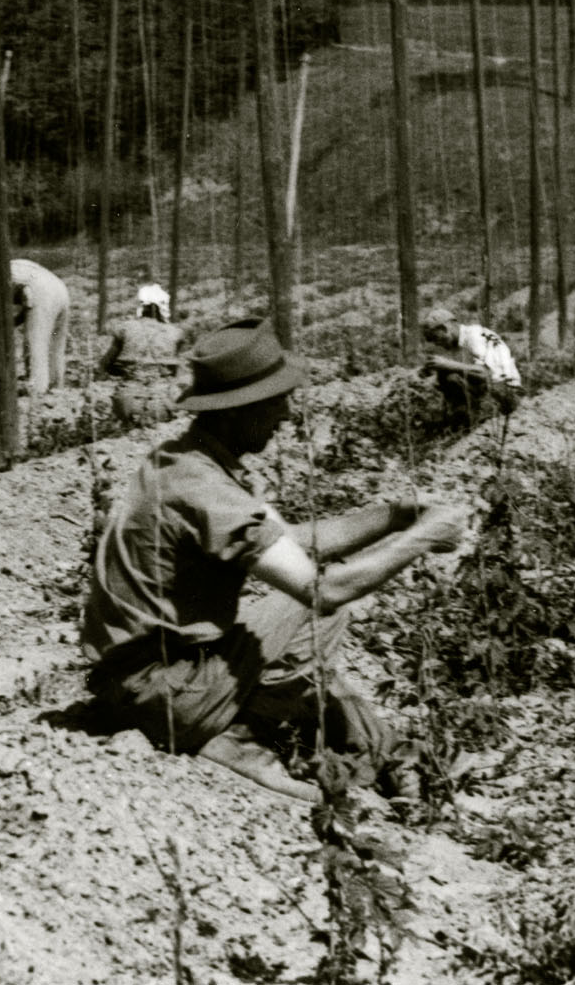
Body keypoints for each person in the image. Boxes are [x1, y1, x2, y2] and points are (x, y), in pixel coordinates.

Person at [82, 316, 468, 802]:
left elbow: (289, 540)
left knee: (304, 634)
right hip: (162, 689)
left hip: (137, 677)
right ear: (240, 411)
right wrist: (424, 538)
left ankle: (341, 743)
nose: (286, 416)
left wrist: (395, 516)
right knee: (316, 611)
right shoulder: (208, 490)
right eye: (278, 402)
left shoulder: (184, 460)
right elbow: (324, 591)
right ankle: (242, 734)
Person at [0, 250, 70, 396]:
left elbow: (28, 297)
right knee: (55, 341)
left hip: (42, 292)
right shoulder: (11, 266)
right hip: (60, 289)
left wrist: (2, 324)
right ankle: (56, 385)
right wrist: (13, 322)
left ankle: (37, 389)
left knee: (34, 341)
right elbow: (27, 302)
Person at [98, 283, 188, 426]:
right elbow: (176, 373)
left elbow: (105, 365)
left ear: (141, 306)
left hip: (127, 400)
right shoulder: (175, 333)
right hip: (163, 402)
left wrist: (126, 370)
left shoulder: (125, 328)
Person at [419, 307, 522, 425]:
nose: (437, 344)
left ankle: (469, 419)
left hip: (505, 391)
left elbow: (485, 373)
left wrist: (446, 364)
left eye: (436, 338)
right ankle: (458, 419)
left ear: (445, 328)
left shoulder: (474, 335)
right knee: (445, 373)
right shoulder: (461, 342)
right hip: (494, 388)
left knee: (450, 375)